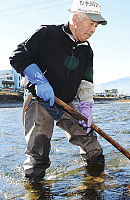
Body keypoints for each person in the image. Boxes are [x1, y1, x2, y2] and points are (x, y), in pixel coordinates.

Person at [9, 0, 107, 182]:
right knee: (39, 152)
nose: (93, 29)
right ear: (76, 18)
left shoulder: (86, 49)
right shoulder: (47, 33)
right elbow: (18, 56)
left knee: (91, 145)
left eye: (96, 26)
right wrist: (40, 81)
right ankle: (34, 188)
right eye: (91, 23)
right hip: (39, 99)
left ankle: (95, 182)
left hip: (66, 103)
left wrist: (86, 106)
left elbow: (86, 80)